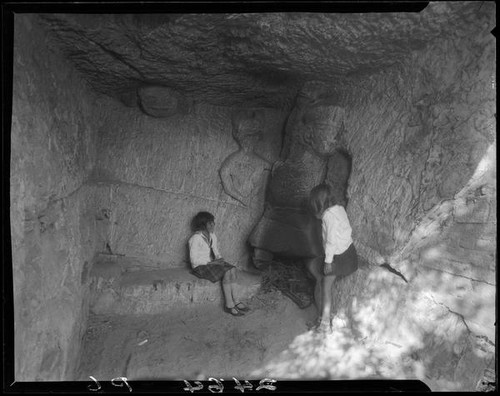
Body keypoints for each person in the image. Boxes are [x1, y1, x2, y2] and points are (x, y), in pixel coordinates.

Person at [306, 183, 358, 331]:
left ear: (319, 205)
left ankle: (324, 325)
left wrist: (328, 262)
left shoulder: (328, 216)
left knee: (325, 286)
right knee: (321, 280)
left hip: (340, 257)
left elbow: (331, 242)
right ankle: (322, 319)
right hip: (349, 252)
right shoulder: (339, 209)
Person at [188, 211, 251, 316]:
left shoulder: (212, 236)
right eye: (210, 223)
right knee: (226, 272)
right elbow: (194, 260)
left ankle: (236, 300)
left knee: (233, 269)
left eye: (213, 222)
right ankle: (229, 305)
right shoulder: (195, 239)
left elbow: (215, 250)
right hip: (200, 266)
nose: (213, 225)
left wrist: (219, 258)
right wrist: (212, 262)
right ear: (203, 225)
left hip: (210, 263)